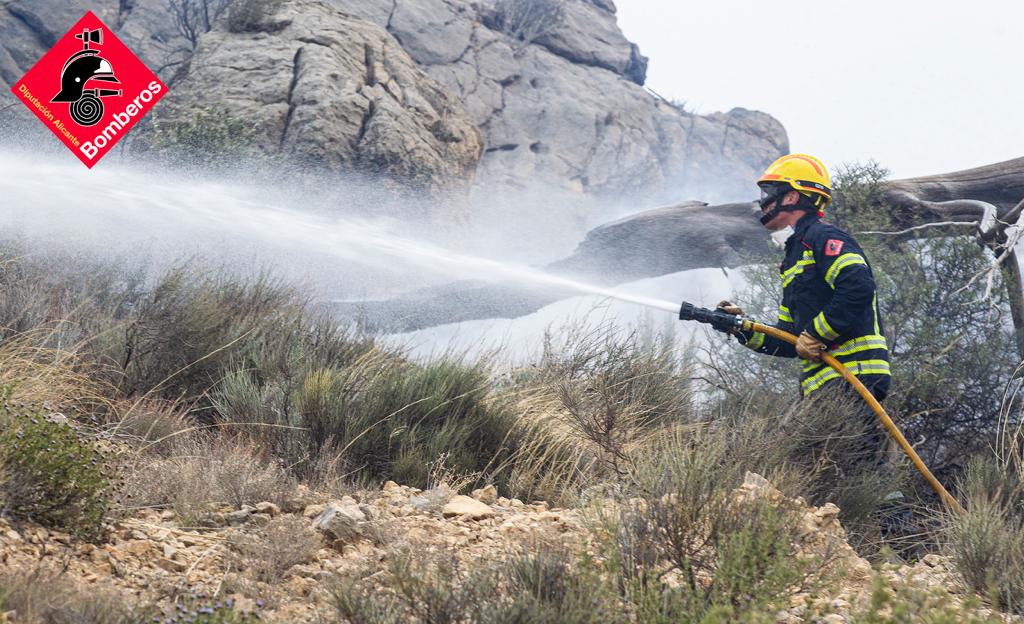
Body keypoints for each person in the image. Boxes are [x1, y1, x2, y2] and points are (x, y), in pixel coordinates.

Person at [718, 153, 892, 467]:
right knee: (828, 467)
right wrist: (742, 328)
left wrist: (815, 334)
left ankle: (892, 517)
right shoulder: (794, 255)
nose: (764, 203)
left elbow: (858, 287)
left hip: (853, 374)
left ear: (793, 196)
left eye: (769, 193)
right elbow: (788, 339)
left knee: (849, 466)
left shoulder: (823, 238)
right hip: (828, 381)